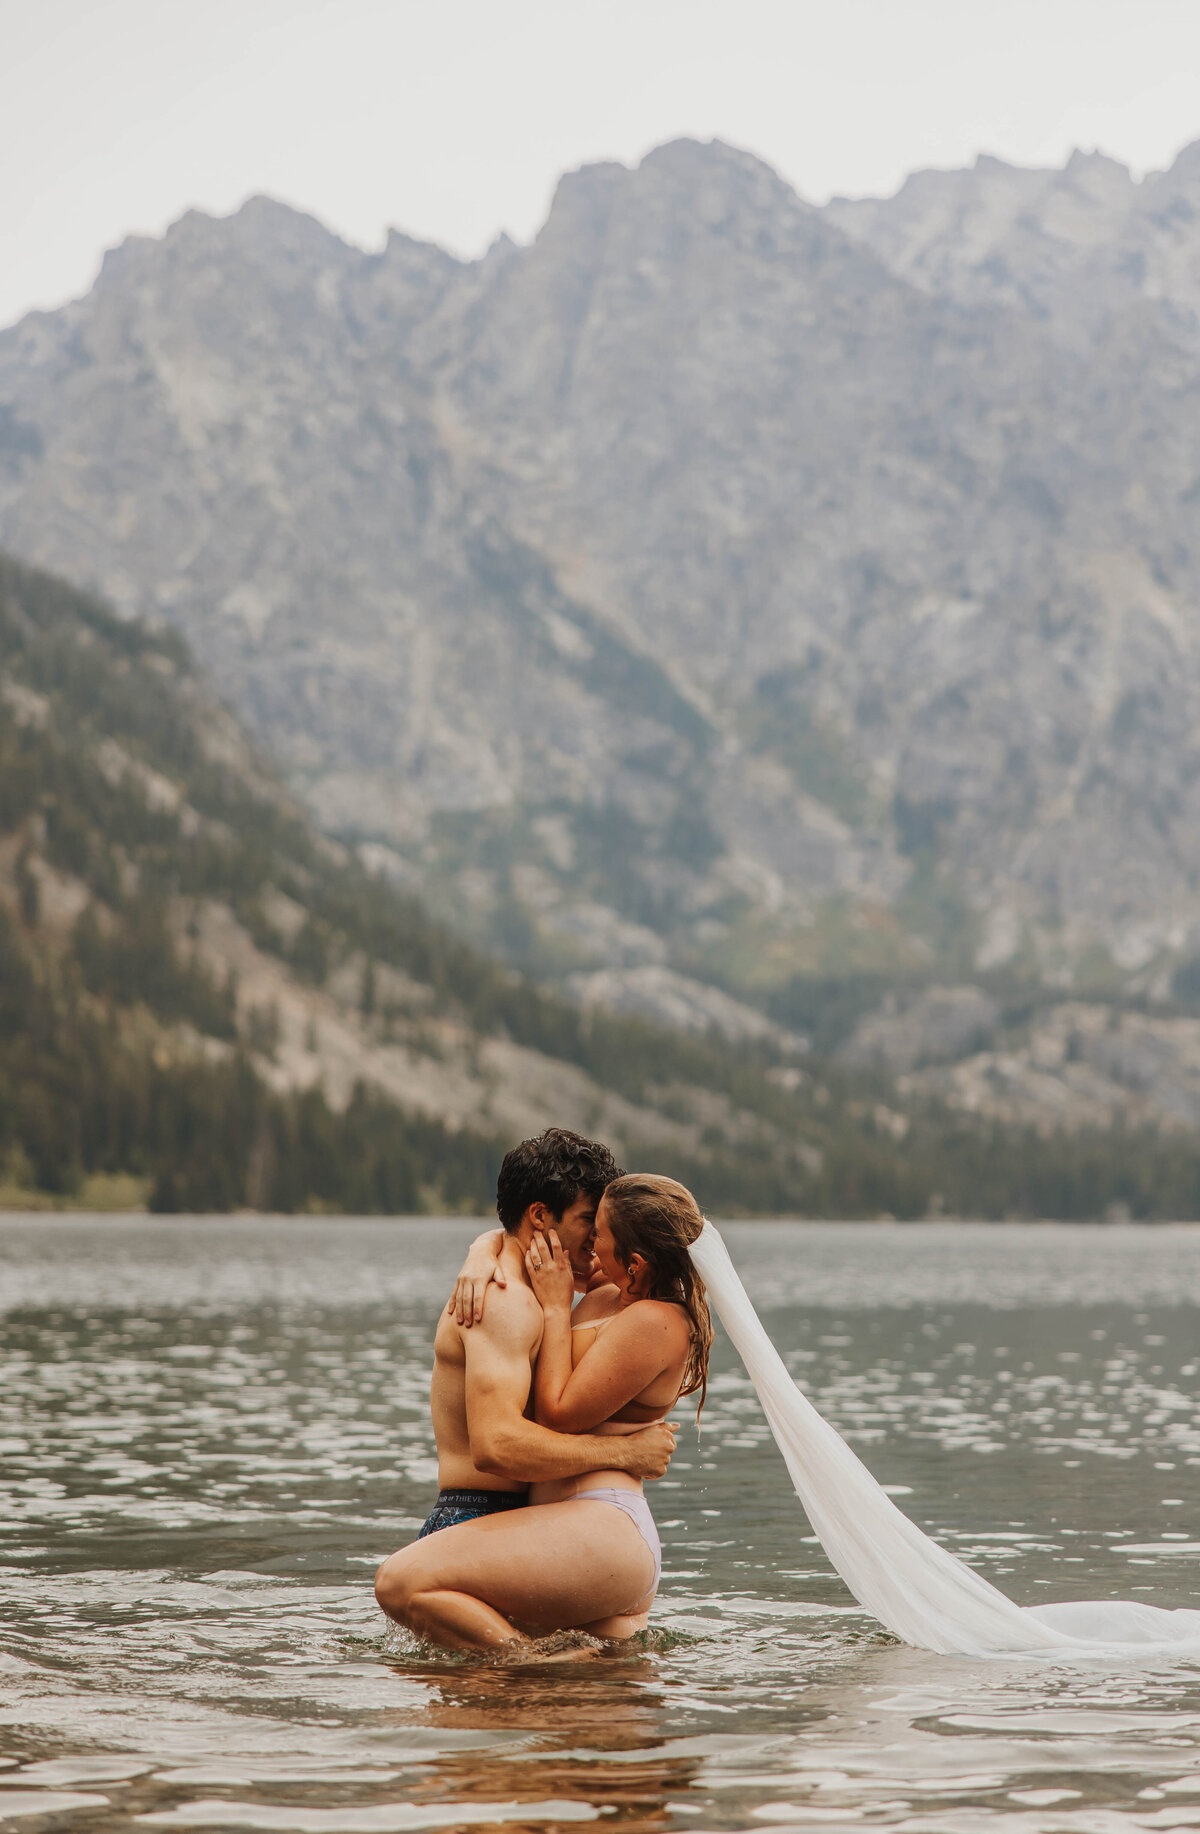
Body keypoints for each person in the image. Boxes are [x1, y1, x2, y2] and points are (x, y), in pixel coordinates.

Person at [374, 1163, 710, 1651]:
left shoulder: (657, 1321)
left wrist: (555, 1308)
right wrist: (482, 1250)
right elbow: (524, 1230)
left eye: (600, 1234)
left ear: (633, 1262)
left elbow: (556, 1413)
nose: (590, 1246)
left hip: (599, 1519)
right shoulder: (603, 1292)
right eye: (588, 1229)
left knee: (402, 1584)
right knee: (563, 1708)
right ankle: (557, 1668)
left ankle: (535, 1665)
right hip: (557, 1529)